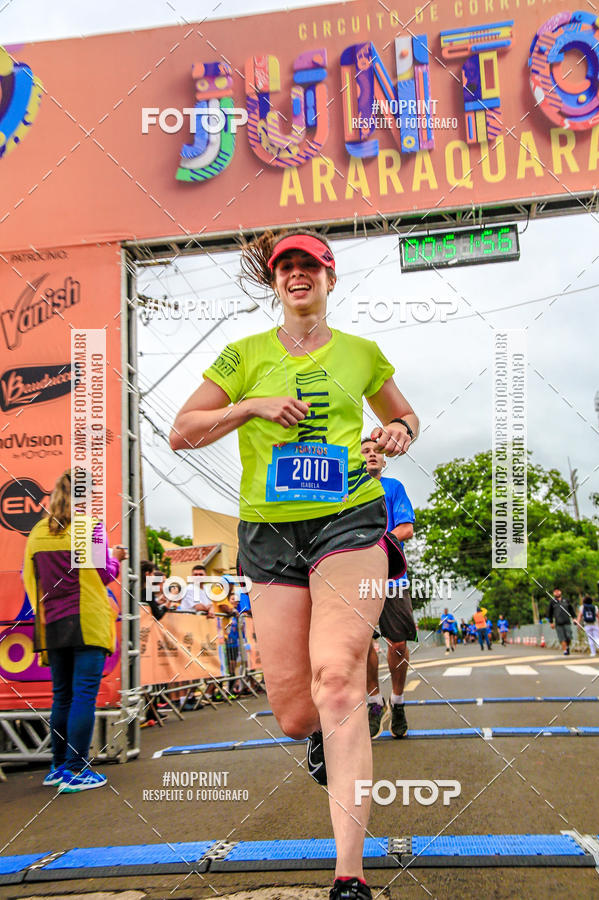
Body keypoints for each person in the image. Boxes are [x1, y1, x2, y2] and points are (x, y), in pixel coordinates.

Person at [170, 228, 418, 900]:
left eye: (311, 264)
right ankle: (317, 736)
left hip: (350, 518)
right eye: (286, 266)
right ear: (275, 281)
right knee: (295, 713)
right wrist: (250, 405)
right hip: (269, 532)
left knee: (337, 679)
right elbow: (182, 431)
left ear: (330, 279)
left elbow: (405, 416)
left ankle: (350, 875)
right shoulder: (243, 354)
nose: (298, 274)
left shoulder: (362, 352)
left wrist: (396, 431)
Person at [22, 469, 127, 792]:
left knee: (62, 696)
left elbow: (28, 577)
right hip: (87, 621)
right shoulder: (88, 528)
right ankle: (77, 770)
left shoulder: (37, 532)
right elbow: (104, 573)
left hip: (52, 623)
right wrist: (116, 558)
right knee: (83, 695)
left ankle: (58, 767)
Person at [360, 437, 417, 740]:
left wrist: (377, 546)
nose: (372, 455)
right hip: (357, 580)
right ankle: (374, 702)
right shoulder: (347, 491)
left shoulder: (393, 488)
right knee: (362, 645)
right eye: (365, 451)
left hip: (392, 578)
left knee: (398, 644)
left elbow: (406, 528)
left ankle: (398, 701)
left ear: (384, 460)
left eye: (377, 452)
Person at [547, 588, 576, 655]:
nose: (557, 593)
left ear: (560, 592)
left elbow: (571, 609)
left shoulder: (566, 600)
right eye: (555, 592)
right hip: (558, 623)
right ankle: (565, 650)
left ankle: (567, 646)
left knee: (569, 636)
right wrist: (551, 622)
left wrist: (574, 618)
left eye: (558, 591)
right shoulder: (552, 602)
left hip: (567, 622)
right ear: (553, 593)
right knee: (561, 637)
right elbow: (550, 613)